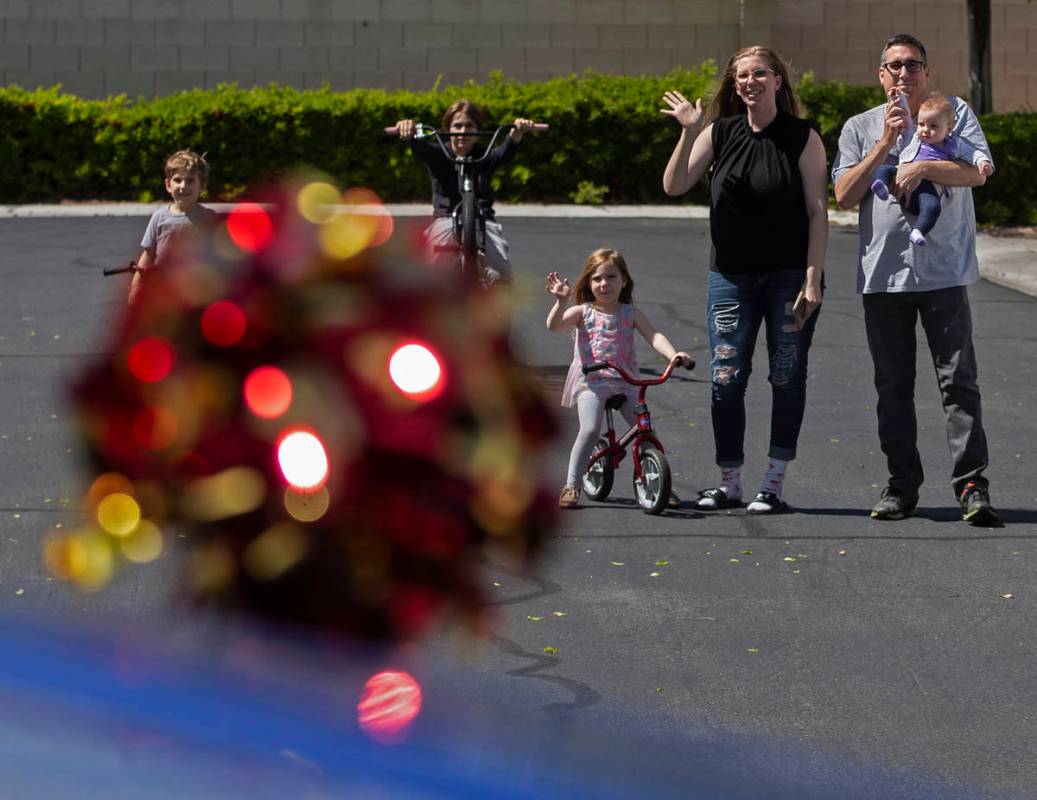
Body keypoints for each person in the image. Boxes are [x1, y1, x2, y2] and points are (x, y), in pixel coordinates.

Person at [831, 33, 999, 526]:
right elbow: (843, 194)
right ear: (881, 75)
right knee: (893, 387)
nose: (903, 73)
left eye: (912, 65)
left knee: (959, 383)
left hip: (943, 271)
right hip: (883, 278)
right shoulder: (860, 127)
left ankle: (971, 485)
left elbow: (975, 173)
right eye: (893, 66)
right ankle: (901, 487)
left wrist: (922, 166)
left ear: (926, 72)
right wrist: (886, 142)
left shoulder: (954, 112)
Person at [660, 46, 829, 515]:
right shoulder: (719, 132)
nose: (750, 82)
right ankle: (730, 481)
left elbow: (818, 211)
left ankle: (772, 483)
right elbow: (674, 185)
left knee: (787, 376)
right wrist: (689, 131)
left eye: (759, 74)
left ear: (778, 80)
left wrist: (812, 279)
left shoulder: (802, 136)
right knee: (726, 378)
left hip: (789, 277)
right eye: (741, 77)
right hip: (730, 278)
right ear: (734, 86)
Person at [546, 248, 693, 509]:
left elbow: (654, 335)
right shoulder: (583, 312)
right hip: (592, 381)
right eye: (597, 279)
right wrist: (561, 302)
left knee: (646, 430)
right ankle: (571, 484)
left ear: (624, 280)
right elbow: (554, 326)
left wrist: (674, 355)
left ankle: (659, 484)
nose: (604, 284)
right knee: (590, 429)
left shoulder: (630, 313)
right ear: (588, 283)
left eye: (612, 277)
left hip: (627, 382)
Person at [393, 99, 535, 286]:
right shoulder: (438, 154)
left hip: (484, 222)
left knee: (502, 276)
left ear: (477, 130)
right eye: (457, 126)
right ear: (447, 128)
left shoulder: (484, 156)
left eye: (469, 125)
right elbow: (421, 150)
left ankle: (499, 311)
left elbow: (504, 152)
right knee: (427, 276)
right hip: (444, 221)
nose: (463, 132)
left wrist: (516, 135)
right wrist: (408, 131)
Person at [870, 92, 994, 247]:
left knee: (934, 206)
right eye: (921, 124)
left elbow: (973, 152)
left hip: (925, 185)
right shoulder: (913, 137)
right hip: (902, 176)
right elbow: (904, 122)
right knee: (884, 169)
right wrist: (898, 98)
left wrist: (982, 162)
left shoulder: (953, 144)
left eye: (933, 126)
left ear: (949, 128)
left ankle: (918, 231)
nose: (925, 130)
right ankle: (880, 186)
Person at [129, 150, 217, 304]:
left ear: (201, 186)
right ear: (168, 185)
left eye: (190, 180)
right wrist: (136, 286)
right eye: (178, 180)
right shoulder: (160, 217)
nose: (183, 186)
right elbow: (148, 255)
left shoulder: (208, 218)